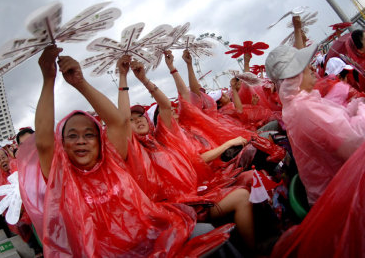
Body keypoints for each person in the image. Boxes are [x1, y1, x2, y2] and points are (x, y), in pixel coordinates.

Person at [33, 45, 231, 257]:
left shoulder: (113, 161)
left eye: (89, 135)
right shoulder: (63, 178)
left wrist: (80, 83)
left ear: (100, 141)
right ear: (62, 145)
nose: (81, 141)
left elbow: (118, 123)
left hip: (153, 239)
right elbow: (44, 143)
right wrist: (48, 79)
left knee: (213, 236)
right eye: (72, 135)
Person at [117, 54, 255, 250]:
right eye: (131, 120)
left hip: (198, 196)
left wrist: (144, 80)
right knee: (242, 196)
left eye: (139, 116)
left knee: (251, 180)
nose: (137, 120)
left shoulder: (162, 138)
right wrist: (123, 78)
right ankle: (255, 252)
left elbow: (165, 105)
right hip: (180, 211)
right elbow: (120, 122)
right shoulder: (134, 151)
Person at [265, 43, 365, 205]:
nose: (312, 69)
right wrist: (361, 107)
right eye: (305, 67)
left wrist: (355, 107)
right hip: (341, 196)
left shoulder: (298, 103)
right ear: (293, 77)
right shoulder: (303, 108)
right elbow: (356, 141)